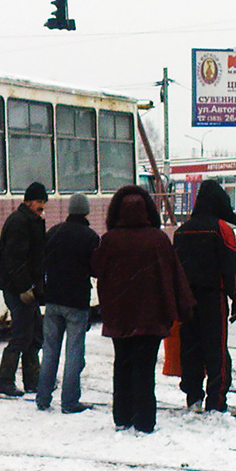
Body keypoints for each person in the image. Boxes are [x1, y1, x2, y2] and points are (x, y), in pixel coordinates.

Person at [93, 185, 195, 432]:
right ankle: (144, 420)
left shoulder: (110, 240)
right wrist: (183, 308)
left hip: (119, 317)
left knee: (122, 365)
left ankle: (122, 417)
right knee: (144, 368)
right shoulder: (158, 240)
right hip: (151, 317)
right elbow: (174, 276)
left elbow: (96, 269)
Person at [173, 179, 236, 414]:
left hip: (186, 300)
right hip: (213, 298)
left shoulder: (182, 231)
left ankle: (193, 399)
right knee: (217, 351)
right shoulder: (222, 229)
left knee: (191, 350)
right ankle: (216, 401)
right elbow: (230, 268)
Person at [35, 193, 99, 414]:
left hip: (53, 300)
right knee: (74, 353)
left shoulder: (54, 232)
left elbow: (42, 260)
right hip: (76, 302)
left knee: (50, 350)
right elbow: (96, 269)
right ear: (86, 211)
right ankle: (70, 401)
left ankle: (42, 397)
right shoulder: (90, 237)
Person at [0, 181, 48, 397]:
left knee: (34, 332)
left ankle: (33, 380)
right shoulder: (20, 223)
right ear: (28, 201)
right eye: (38, 201)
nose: (42, 205)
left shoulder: (31, 220)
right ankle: (5, 381)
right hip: (18, 288)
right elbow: (14, 259)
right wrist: (24, 288)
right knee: (23, 333)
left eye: (43, 201)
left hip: (26, 287)